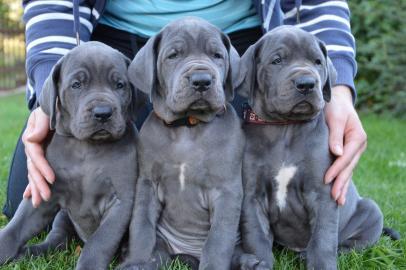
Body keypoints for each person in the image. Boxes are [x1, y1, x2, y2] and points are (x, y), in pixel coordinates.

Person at [3, 0, 366, 218]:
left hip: (233, 53)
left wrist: (337, 90)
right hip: (115, 51)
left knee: (262, 183)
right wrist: (51, 96)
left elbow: (314, 3)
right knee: (40, 193)